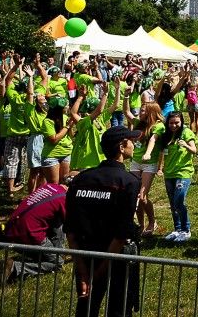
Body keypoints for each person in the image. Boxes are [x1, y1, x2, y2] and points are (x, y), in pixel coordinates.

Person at [65, 125, 141, 317]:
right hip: (116, 255)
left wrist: (81, 268)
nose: (134, 144)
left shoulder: (81, 179)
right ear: (122, 147)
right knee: (119, 307)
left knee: (86, 305)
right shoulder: (129, 182)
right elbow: (122, 232)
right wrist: (102, 268)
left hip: (84, 252)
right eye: (131, 141)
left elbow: (70, 227)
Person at [0, 182, 68, 283]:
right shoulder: (64, 199)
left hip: (11, 228)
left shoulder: (48, 186)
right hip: (30, 234)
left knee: (58, 217)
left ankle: (57, 251)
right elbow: (73, 226)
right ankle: (15, 267)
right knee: (57, 263)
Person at [159, 111, 197, 242]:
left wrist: (186, 145)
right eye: (171, 123)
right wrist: (160, 168)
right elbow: (162, 153)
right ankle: (177, 229)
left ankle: (186, 229)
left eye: (176, 123)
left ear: (181, 122)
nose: (174, 125)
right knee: (172, 203)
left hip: (183, 172)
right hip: (169, 173)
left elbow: (195, 150)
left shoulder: (186, 133)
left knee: (178, 200)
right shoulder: (166, 136)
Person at [132, 102, 165, 237]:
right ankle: (141, 224)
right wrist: (124, 95)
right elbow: (126, 112)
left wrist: (148, 153)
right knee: (134, 195)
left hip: (149, 163)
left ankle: (152, 222)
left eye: (144, 111)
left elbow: (153, 139)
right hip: (135, 162)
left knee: (142, 196)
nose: (140, 112)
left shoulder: (159, 126)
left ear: (151, 112)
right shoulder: (140, 123)